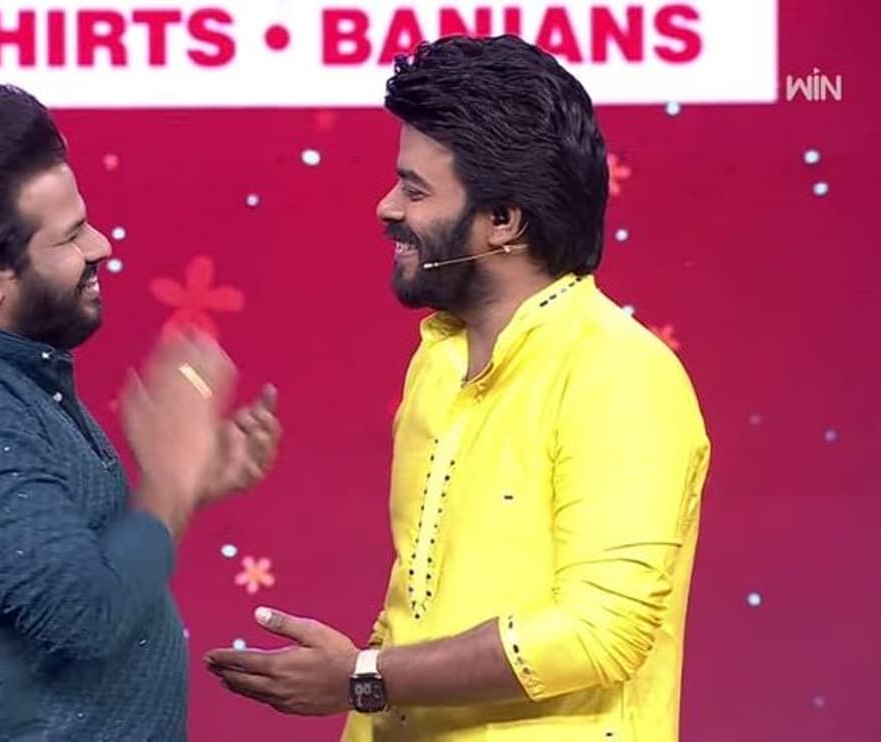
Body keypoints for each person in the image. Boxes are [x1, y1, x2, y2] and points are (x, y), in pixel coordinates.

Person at [206, 35, 710, 742]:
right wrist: (364, 681)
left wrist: (362, 677)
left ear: (503, 221)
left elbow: (601, 631)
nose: (386, 208)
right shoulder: (438, 364)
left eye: (415, 190)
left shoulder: (618, 372)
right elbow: (410, 617)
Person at [0, 84, 280, 741]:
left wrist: (189, 480)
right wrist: (168, 484)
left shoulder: (3, 367)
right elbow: (83, 613)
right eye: (71, 236)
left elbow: (70, 562)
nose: (101, 245)